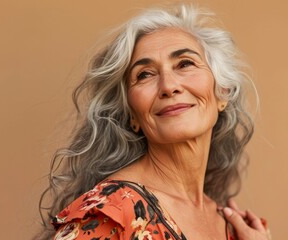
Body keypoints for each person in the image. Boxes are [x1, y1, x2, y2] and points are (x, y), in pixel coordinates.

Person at [36, 4, 270, 240]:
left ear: (222, 91)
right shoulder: (109, 213)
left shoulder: (231, 225)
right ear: (132, 115)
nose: (168, 86)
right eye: (145, 74)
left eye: (185, 63)